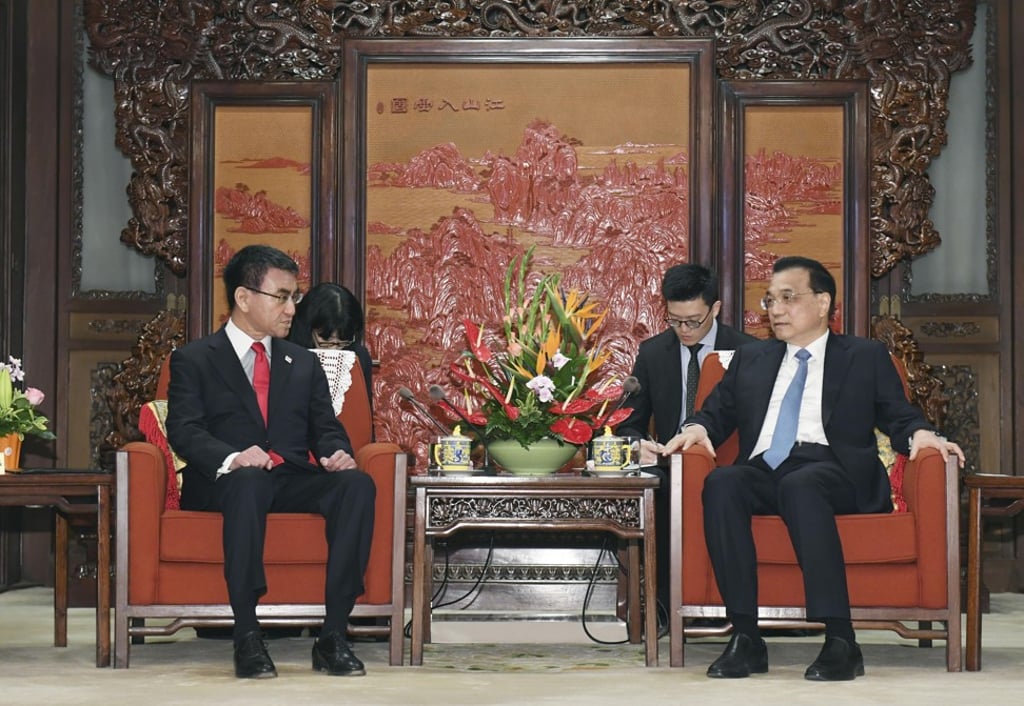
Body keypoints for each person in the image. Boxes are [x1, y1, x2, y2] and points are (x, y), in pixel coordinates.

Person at [662, 255, 965, 681]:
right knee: (723, 482)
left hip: (834, 471)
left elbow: (899, 414)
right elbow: (714, 413)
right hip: (766, 471)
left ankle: (841, 640)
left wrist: (921, 436)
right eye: (770, 300)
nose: (776, 309)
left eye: (789, 298)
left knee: (802, 484)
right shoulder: (752, 358)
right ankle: (746, 637)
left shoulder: (864, 355)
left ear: (823, 303)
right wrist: (694, 428)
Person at [166, 245, 376, 680]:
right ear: (244, 299)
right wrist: (232, 456)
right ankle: (247, 635)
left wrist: (337, 451)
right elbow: (184, 430)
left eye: (294, 296)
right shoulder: (194, 359)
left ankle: (333, 634)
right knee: (248, 482)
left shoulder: (301, 362)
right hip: (226, 483)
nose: (292, 307)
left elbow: (325, 426)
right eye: (282, 296)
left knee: (357, 486)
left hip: (290, 479)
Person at [617, 263, 756, 615]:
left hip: (729, 465)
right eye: (674, 320)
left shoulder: (749, 352)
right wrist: (638, 445)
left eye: (693, 320)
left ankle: (727, 608)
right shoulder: (652, 353)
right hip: (670, 464)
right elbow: (627, 422)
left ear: (716, 309)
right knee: (658, 490)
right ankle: (664, 606)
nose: (683, 330)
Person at [288, 282, 373, 405]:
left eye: (341, 343)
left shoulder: (357, 356)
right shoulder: (288, 352)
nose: (334, 350)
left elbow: (363, 412)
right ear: (309, 328)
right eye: (326, 342)